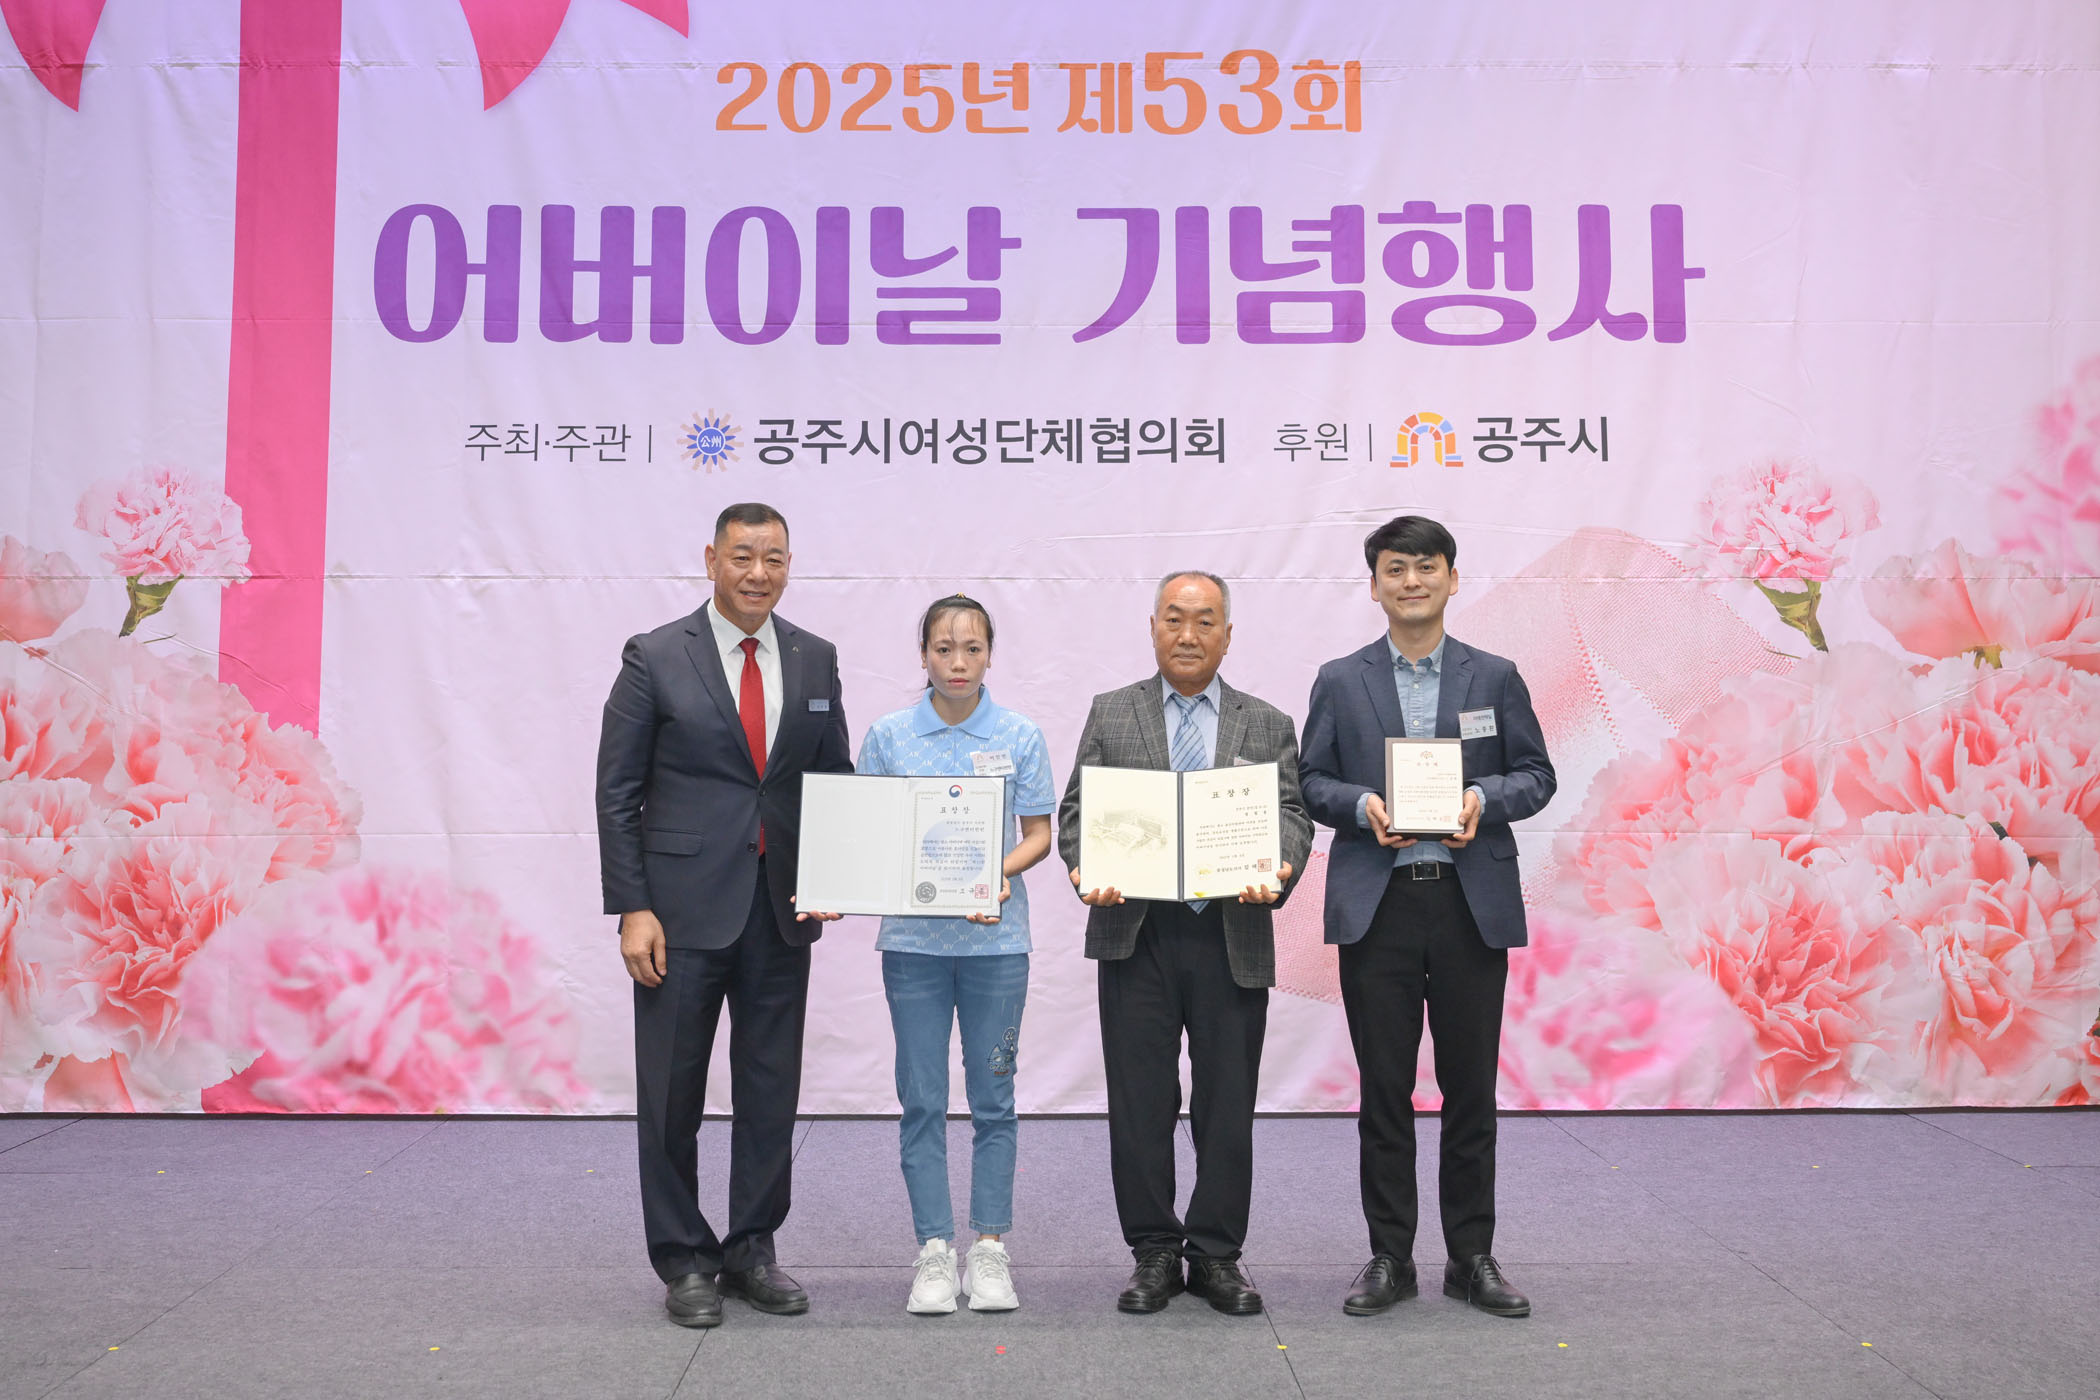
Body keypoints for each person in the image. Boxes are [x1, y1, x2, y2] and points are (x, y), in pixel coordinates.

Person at [595, 502, 852, 1328]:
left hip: (780, 911)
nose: (758, 573)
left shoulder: (815, 657)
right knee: (672, 1093)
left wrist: (837, 870)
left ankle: (751, 1250)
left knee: (770, 1091)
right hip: (678, 916)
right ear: (711, 560)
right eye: (743, 556)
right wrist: (633, 906)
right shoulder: (655, 655)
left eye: (773, 558)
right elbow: (617, 791)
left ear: (789, 565)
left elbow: (833, 780)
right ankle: (683, 1259)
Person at [1299, 514, 1556, 1320]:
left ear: (1452, 577)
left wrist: (1482, 797)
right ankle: (1391, 1257)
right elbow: (1310, 781)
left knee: (1469, 1087)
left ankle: (1471, 1258)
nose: (1411, 582)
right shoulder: (1341, 679)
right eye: (1396, 569)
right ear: (1375, 584)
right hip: (1378, 904)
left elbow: (1537, 774)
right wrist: (1361, 805)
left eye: (1426, 567)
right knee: (1384, 1088)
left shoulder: (1495, 677)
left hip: (1466, 903)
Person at [1057, 571, 1313, 1316]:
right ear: (1153, 628)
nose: (1189, 635)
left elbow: (1292, 814)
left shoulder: (1266, 722)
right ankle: (1154, 1251)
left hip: (1231, 927)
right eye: (1175, 619)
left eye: (1205, 621)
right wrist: (1085, 867)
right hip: (1134, 929)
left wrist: (1281, 864)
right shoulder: (1113, 711)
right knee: (1141, 1099)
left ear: (1228, 634)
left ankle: (1216, 1254)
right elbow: (1076, 813)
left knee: (1226, 1101)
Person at [853, 594, 1056, 1315]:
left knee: (994, 1096)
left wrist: (996, 872)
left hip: (996, 944)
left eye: (972, 648)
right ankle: (935, 1249)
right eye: (944, 648)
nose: (958, 662)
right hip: (913, 947)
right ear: (923, 655)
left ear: (990, 654)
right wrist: (834, 885)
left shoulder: (1020, 734)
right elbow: (867, 832)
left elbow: (1039, 835)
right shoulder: (888, 736)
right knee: (922, 1100)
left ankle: (990, 1246)